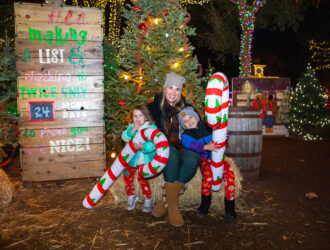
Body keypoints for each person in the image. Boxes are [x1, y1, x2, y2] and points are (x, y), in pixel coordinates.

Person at [147, 72, 200, 227]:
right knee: (170, 153)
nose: (173, 92)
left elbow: (200, 129)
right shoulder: (153, 108)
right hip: (164, 148)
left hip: (185, 145)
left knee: (193, 158)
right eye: (170, 87)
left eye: (177, 89)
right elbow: (141, 128)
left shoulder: (188, 108)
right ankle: (174, 208)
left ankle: (166, 200)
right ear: (165, 89)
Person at [178, 106, 237, 222]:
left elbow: (222, 133)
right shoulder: (186, 135)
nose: (189, 121)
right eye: (185, 121)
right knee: (207, 176)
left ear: (196, 117)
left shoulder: (209, 127)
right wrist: (205, 147)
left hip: (219, 158)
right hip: (204, 159)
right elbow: (189, 145)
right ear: (183, 125)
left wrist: (225, 135)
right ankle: (205, 203)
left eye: (191, 117)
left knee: (230, 175)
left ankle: (230, 207)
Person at [121, 105, 157, 212]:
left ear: (146, 117)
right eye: (135, 116)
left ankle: (148, 198)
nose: (137, 118)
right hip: (132, 160)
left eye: (140, 115)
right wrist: (132, 130)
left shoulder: (152, 128)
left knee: (143, 179)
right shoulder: (131, 127)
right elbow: (125, 138)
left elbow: (155, 144)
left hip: (144, 161)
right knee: (127, 177)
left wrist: (143, 147)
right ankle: (131, 196)